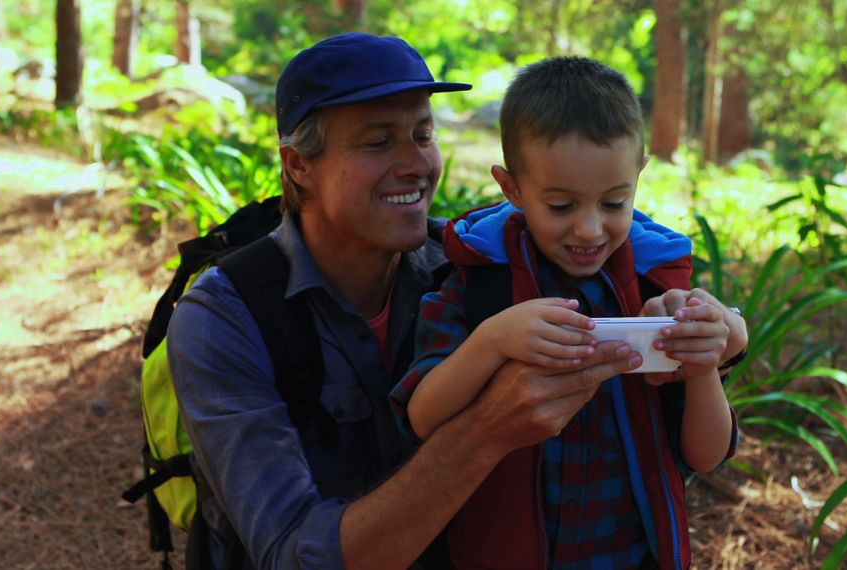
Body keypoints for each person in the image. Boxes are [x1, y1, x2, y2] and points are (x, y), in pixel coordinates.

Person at [166, 34, 651, 569]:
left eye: (423, 134)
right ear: (299, 165)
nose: (414, 164)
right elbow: (293, 556)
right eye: (377, 143)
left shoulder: (471, 271)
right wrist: (485, 429)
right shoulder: (224, 319)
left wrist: (707, 335)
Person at [390, 56, 748, 569]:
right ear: (511, 188)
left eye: (613, 203)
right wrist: (491, 341)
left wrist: (703, 366)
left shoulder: (653, 286)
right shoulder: (477, 285)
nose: (588, 229)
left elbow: (705, 455)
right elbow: (423, 417)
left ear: (638, 175)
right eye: (561, 206)